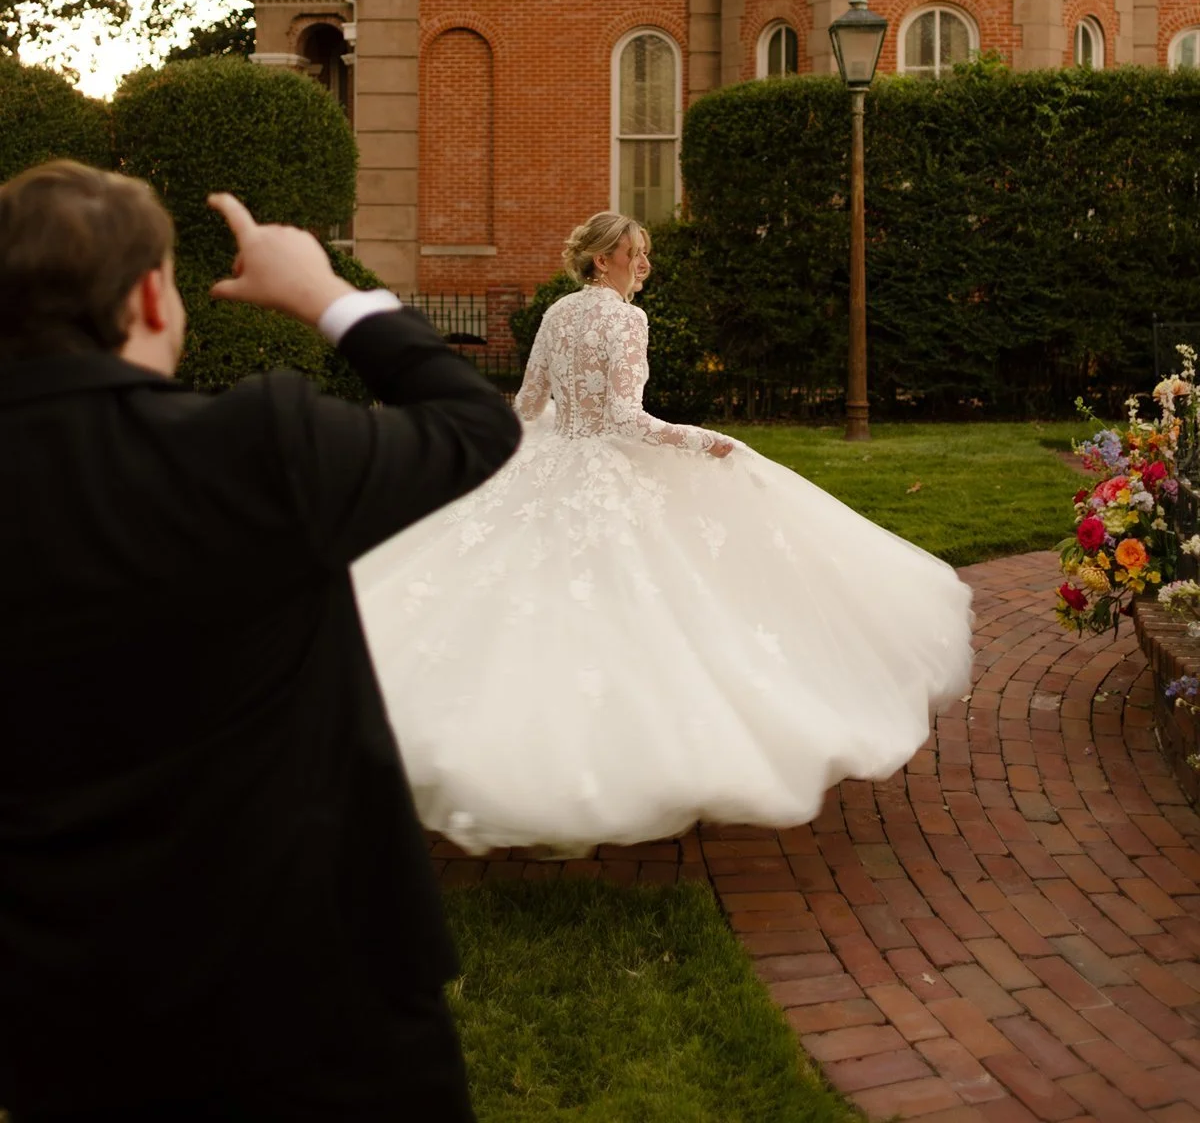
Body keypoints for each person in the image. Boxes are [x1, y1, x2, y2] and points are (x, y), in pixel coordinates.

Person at [0, 159, 521, 1122]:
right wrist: (325, 294)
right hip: (322, 998)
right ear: (152, 295)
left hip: (62, 1016)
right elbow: (472, 425)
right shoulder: (255, 449)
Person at [354, 210, 974, 858]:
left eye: (645, 251)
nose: (643, 264)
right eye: (634, 252)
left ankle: (533, 753)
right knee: (639, 604)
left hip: (550, 464)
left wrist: (542, 450)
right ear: (603, 261)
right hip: (601, 471)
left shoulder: (556, 315)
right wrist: (704, 440)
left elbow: (527, 406)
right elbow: (626, 419)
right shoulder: (625, 318)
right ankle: (621, 761)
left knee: (527, 598)